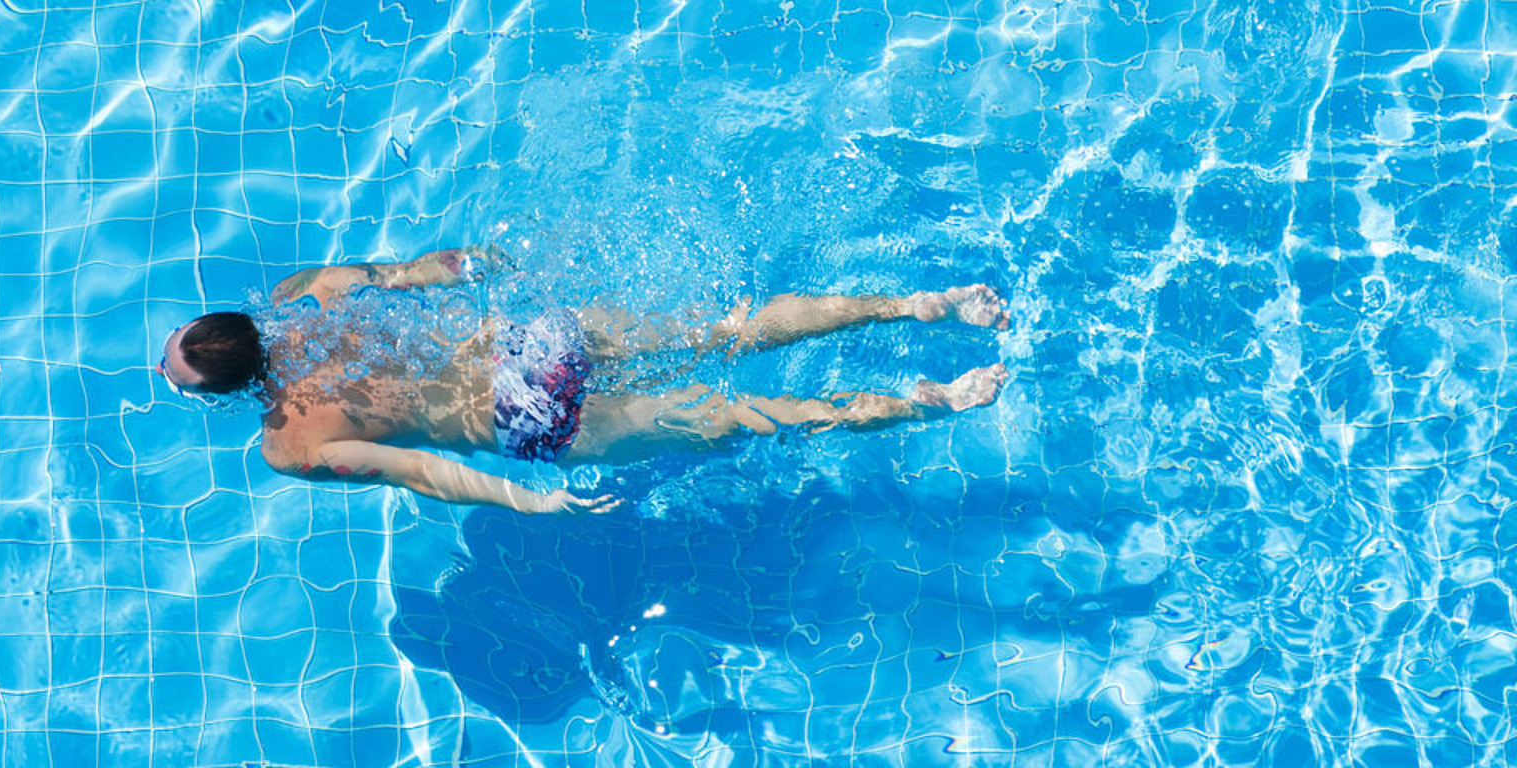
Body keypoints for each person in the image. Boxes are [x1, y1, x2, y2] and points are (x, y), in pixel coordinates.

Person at [157, 246, 1009, 515]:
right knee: (727, 330)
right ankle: (916, 303)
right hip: (526, 342)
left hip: (518, 419)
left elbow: (417, 470)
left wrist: (527, 501)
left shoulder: (290, 445)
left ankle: (934, 401)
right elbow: (427, 270)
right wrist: (486, 263)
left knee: (748, 414)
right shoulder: (306, 293)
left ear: (222, 391)